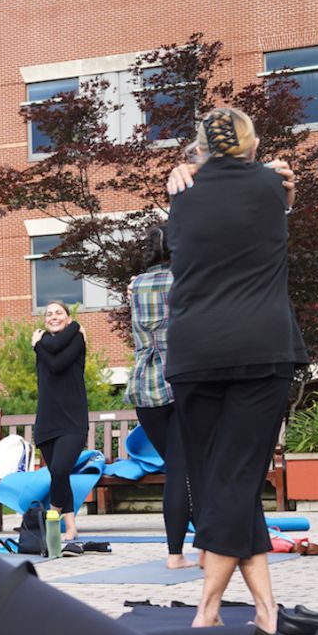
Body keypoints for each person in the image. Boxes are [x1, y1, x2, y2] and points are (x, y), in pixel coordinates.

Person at [164, 107, 306, 635]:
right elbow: (274, 189)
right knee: (236, 481)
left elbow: (176, 242)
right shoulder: (273, 185)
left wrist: (187, 172)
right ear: (251, 144)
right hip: (260, 350)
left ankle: (257, 609)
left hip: (194, 354)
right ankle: (214, 608)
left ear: (199, 147)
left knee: (219, 483)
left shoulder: (181, 192)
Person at [125, 226, 194, 569]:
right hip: (179, 379)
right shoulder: (184, 281)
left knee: (178, 467)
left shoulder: (134, 286)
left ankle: (193, 544)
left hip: (144, 386)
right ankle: (176, 553)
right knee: (185, 469)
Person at [32, 300, 87, 542]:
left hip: (72, 420)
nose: (53, 317)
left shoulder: (76, 339)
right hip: (47, 419)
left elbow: (56, 363)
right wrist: (40, 343)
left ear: (67, 317)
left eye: (59, 313)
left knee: (61, 468)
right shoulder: (44, 341)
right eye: (49, 313)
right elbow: (52, 349)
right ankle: (71, 526)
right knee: (58, 475)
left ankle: (53, 518)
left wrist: (74, 328)